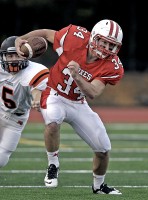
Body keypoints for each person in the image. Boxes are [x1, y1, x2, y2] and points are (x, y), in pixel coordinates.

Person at [15, 19, 124, 195]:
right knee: (52, 120)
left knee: (103, 149)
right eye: (104, 42)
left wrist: (78, 75)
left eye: (111, 45)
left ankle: (98, 186)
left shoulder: (112, 65)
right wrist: (21, 38)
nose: (107, 48)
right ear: (94, 37)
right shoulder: (75, 37)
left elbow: (94, 92)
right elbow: (45, 33)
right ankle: (53, 164)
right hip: (54, 93)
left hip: (79, 103)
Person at [0, 36, 49, 169]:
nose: (14, 60)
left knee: (2, 158)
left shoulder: (34, 71)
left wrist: (37, 100)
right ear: (3, 57)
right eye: (10, 56)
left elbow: (36, 89)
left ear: (26, 56)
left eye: (17, 55)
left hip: (16, 119)